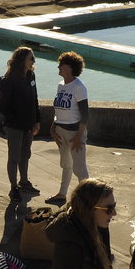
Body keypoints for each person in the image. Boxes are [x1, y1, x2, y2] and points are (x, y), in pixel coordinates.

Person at [0, 46, 42, 201]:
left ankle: (24, 182)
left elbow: (35, 99)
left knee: (26, 154)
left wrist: (37, 120)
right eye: (31, 58)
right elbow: (2, 106)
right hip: (15, 126)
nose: (33, 61)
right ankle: (13, 187)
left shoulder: (31, 75)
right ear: (22, 60)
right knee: (14, 157)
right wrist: (16, 121)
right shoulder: (10, 80)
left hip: (28, 125)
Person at [46, 51, 89, 206]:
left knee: (80, 168)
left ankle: (87, 200)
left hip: (74, 132)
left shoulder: (79, 87)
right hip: (61, 131)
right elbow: (59, 110)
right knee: (66, 164)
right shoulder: (61, 85)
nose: (58, 67)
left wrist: (78, 136)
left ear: (70, 67)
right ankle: (62, 194)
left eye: (61, 65)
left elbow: (85, 114)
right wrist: (52, 128)